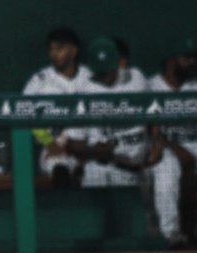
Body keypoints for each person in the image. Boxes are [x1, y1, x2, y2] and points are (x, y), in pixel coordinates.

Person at [146, 39, 197, 249]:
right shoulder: (151, 86)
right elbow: (150, 133)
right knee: (165, 167)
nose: (192, 62)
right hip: (166, 149)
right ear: (172, 61)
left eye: (193, 58)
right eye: (187, 58)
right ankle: (170, 233)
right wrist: (176, 148)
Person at [64, 37, 153, 187]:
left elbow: (154, 110)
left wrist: (157, 140)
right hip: (102, 171)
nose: (104, 76)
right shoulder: (85, 91)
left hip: (139, 171)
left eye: (108, 70)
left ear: (119, 62)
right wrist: (94, 150)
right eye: (100, 72)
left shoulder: (136, 78)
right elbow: (72, 144)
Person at [22, 27, 92, 187]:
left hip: (88, 147)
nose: (54, 54)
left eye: (59, 48)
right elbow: (24, 114)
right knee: (60, 172)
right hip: (55, 145)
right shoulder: (40, 80)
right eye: (51, 49)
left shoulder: (89, 77)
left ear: (73, 51)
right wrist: (48, 142)